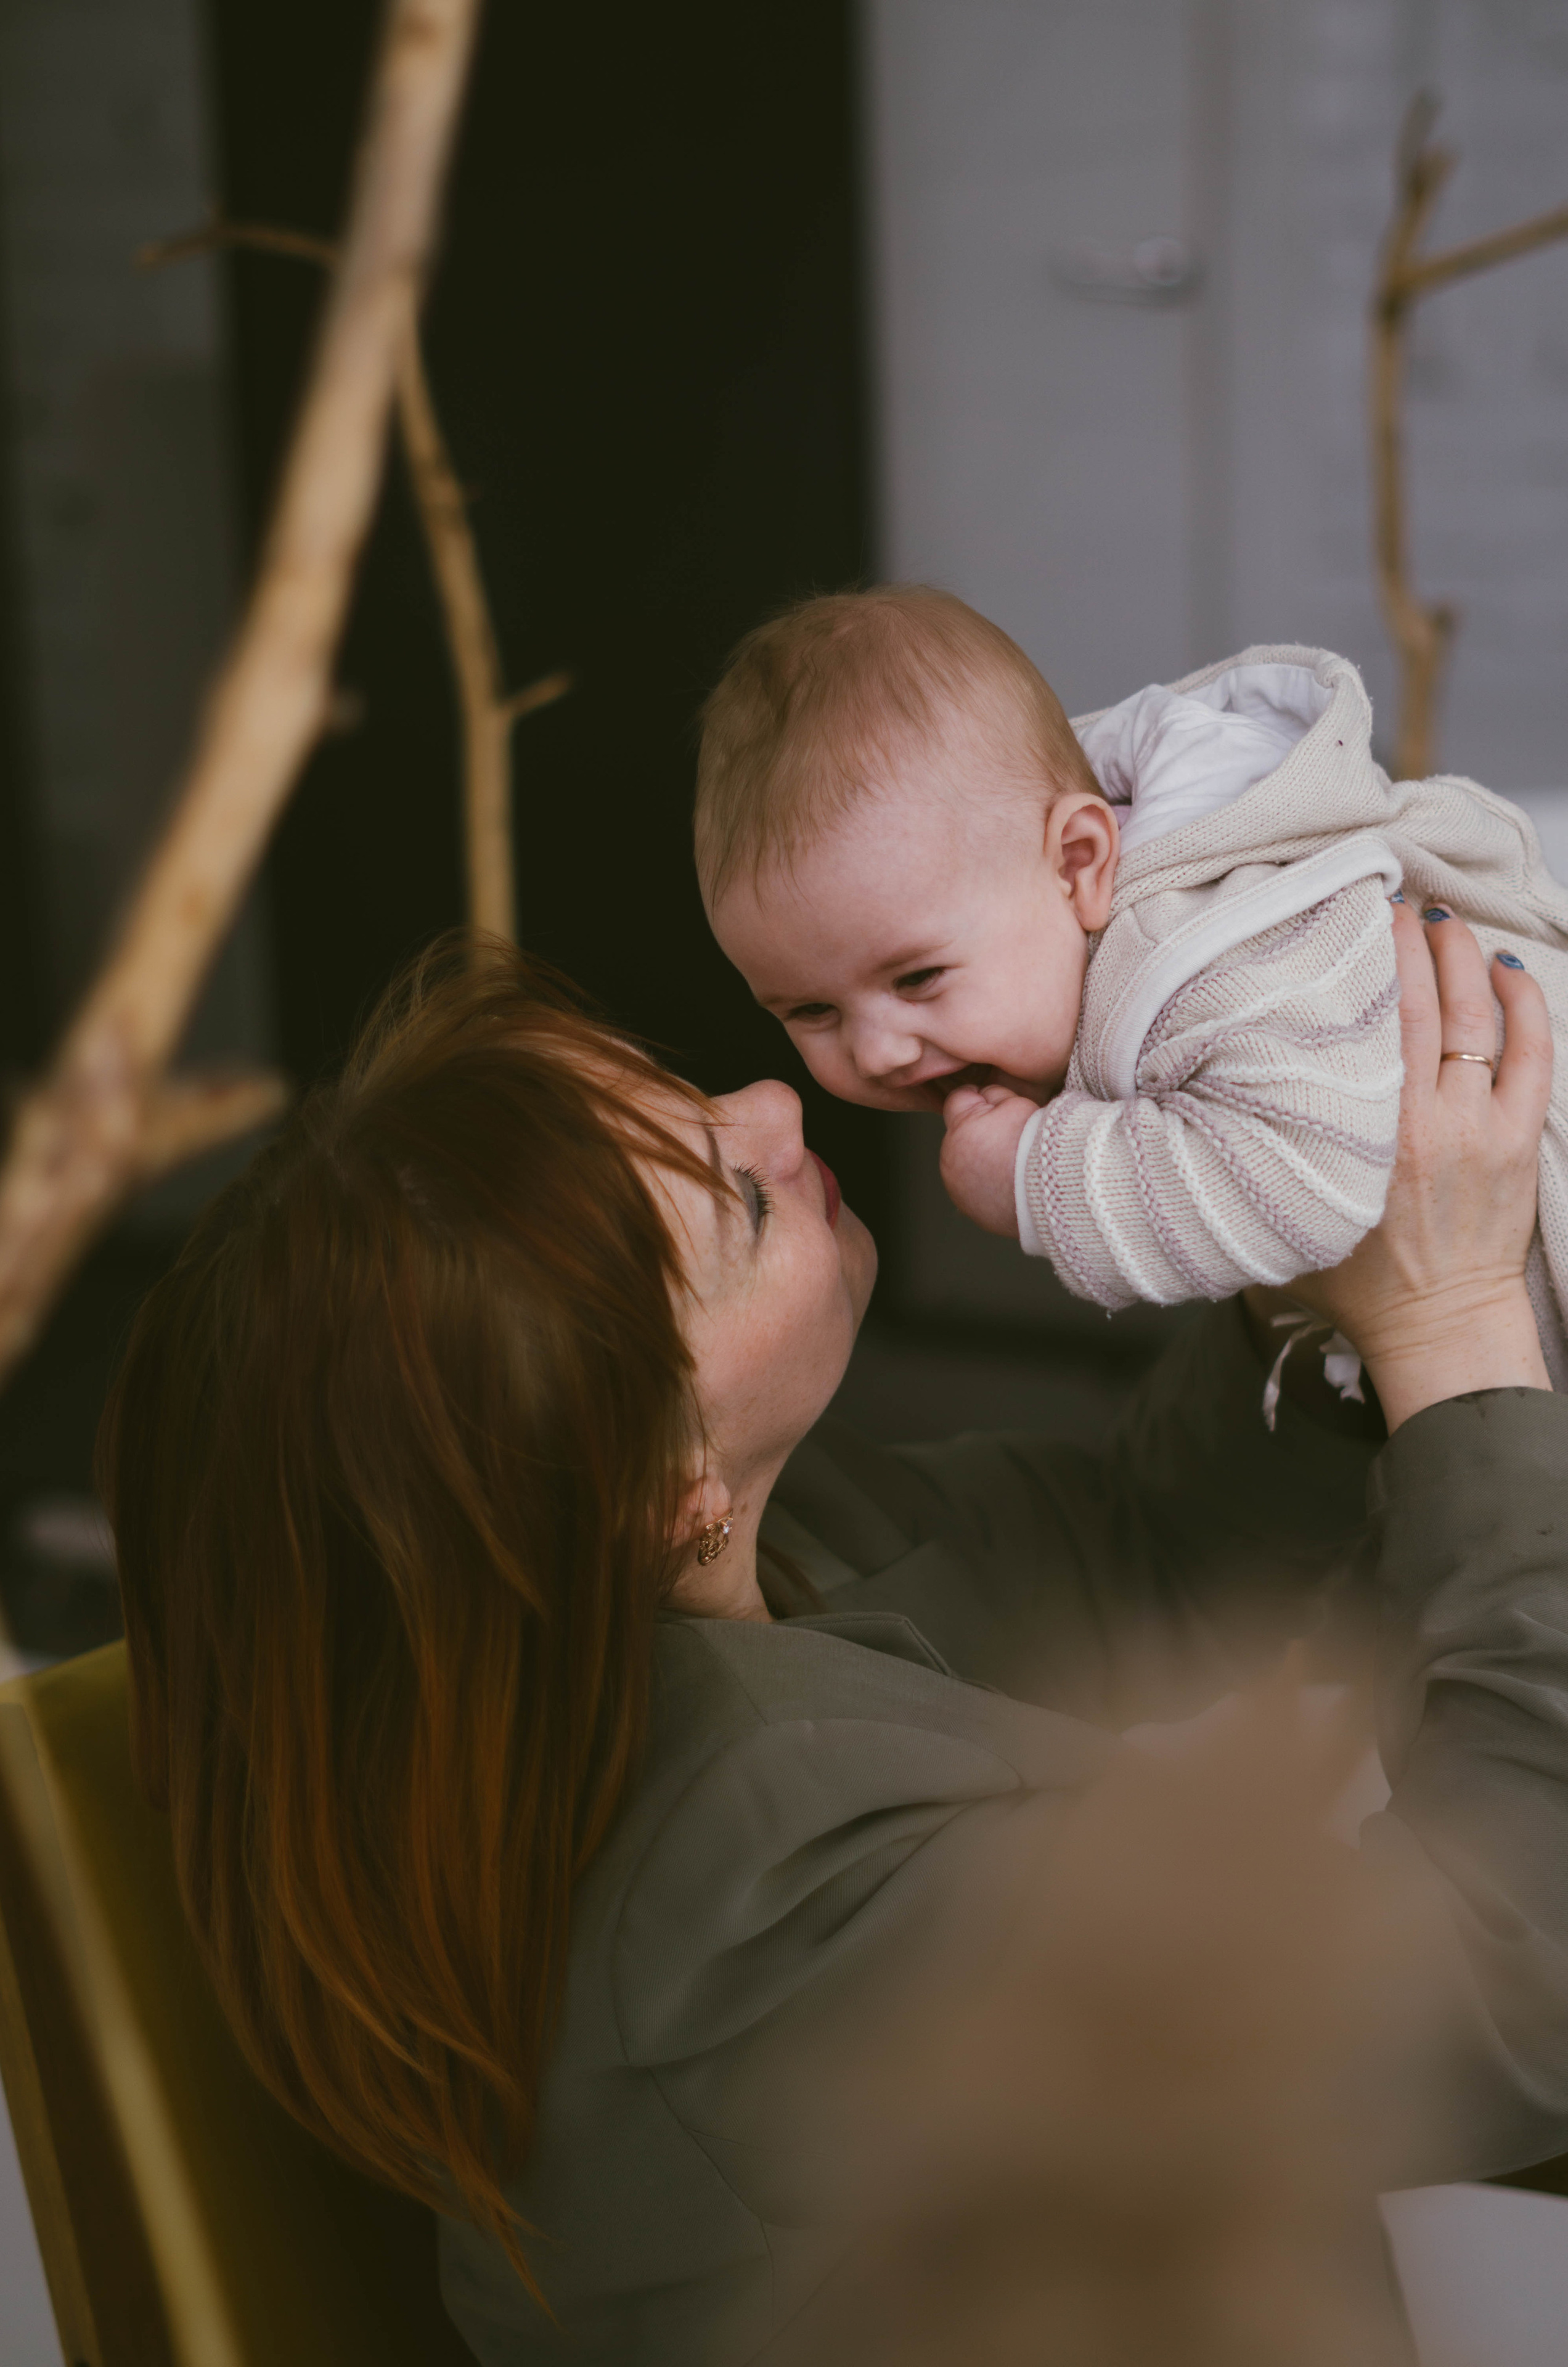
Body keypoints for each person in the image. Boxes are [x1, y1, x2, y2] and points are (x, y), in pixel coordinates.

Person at [99, 909, 1568, 2365]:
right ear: (658, 1484)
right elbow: (1522, 1979)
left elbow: (1135, 1548)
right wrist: (1446, 1317)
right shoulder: (762, 1897)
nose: (775, 1108)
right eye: (735, 1201)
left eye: (692, 1096)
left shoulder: (715, 1569)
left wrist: (1309, 1264)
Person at [697, 584, 1568, 1391]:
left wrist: (1038, 1180)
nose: (878, 1050)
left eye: (918, 977)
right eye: (811, 1011)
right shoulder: (1090, 913)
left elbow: (1302, 1182)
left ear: (1079, 862)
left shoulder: (1207, 945)